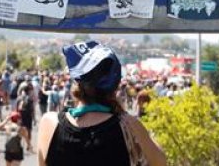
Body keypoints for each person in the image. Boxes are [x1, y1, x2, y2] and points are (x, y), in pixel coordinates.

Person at [37, 41, 166, 166]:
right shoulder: (128, 125)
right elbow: (161, 162)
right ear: (115, 87)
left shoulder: (49, 123)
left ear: (77, 82)